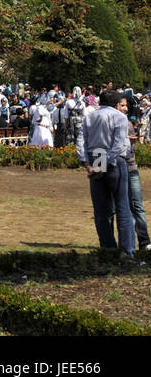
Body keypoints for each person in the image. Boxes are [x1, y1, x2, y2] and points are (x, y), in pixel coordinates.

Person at [78, 90, 136, 256]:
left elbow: (81, 141)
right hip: (113, 160)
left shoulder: (90, 116)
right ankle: (126, 251)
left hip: (95, 156)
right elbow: (118, 145)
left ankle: (108, 250)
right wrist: (102, 165)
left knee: (101, 210)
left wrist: (88, 165)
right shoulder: (119, 117)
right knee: (123, 208)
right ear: (117, 104)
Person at [114, 94, 150, 250]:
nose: (125, 109)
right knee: (116, 208)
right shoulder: (106, 122)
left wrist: (130, 142)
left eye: (126, 106)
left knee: (136, 205)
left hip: (130, 167)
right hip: (113, 168)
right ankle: (120, 245)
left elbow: (132, 149)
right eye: (122, 105)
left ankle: (144, 241)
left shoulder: (127, 123)